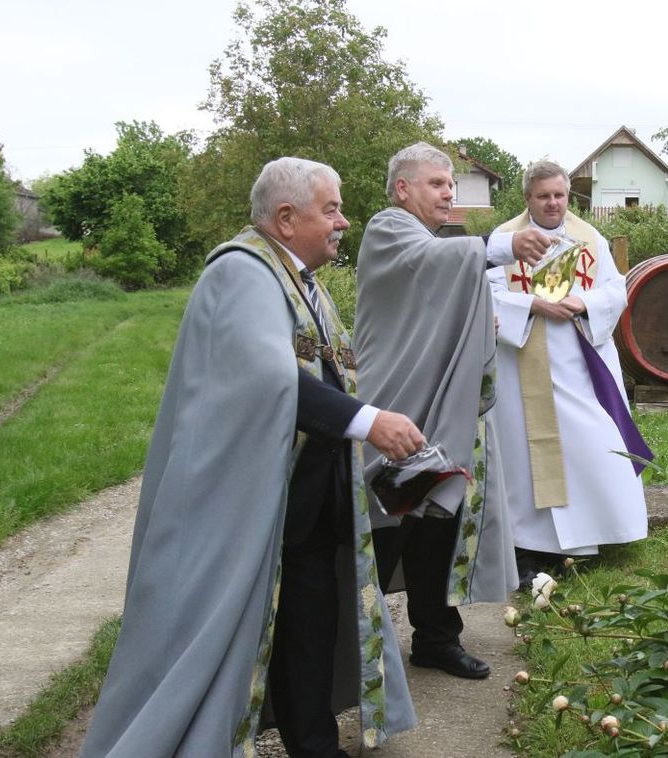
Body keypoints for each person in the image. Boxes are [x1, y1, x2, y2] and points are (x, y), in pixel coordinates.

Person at [81, 157, 420, 758]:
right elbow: (269, 377)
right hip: (249, 505)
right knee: (236, 634)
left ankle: (315, 746)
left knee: (309, 630)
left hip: (303, 501)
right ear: (286, 218)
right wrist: (369, 422)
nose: (344, 222)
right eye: (331, 209)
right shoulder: (241, 272)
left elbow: (326, 372)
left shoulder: (297, 278)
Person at [354, 142, 549, 680]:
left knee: (437, 521)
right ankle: (354, 644)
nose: (448, 194)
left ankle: (436, 639)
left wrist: (479, 319)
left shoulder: (427, 239)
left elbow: (441, 303)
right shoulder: (388, 229)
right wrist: (505, 243)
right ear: (402, 189)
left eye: (451, 185)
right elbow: (432, 265)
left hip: (435, 407)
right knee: (385, 522)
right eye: (437, 183)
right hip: (392, 404)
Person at [487, 161, 651, 586]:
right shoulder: (505, 239)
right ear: (527, 198)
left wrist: (584, 303)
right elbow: (488, 294)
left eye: (559, 195)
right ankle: (530, 545)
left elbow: (615, 290)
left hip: (580, 361)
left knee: (591, 444)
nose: (553, 203)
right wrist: (534, 305)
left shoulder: (588, 237)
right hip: (522, 362)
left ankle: (589, 536)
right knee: (527, 456)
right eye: (543, 196)